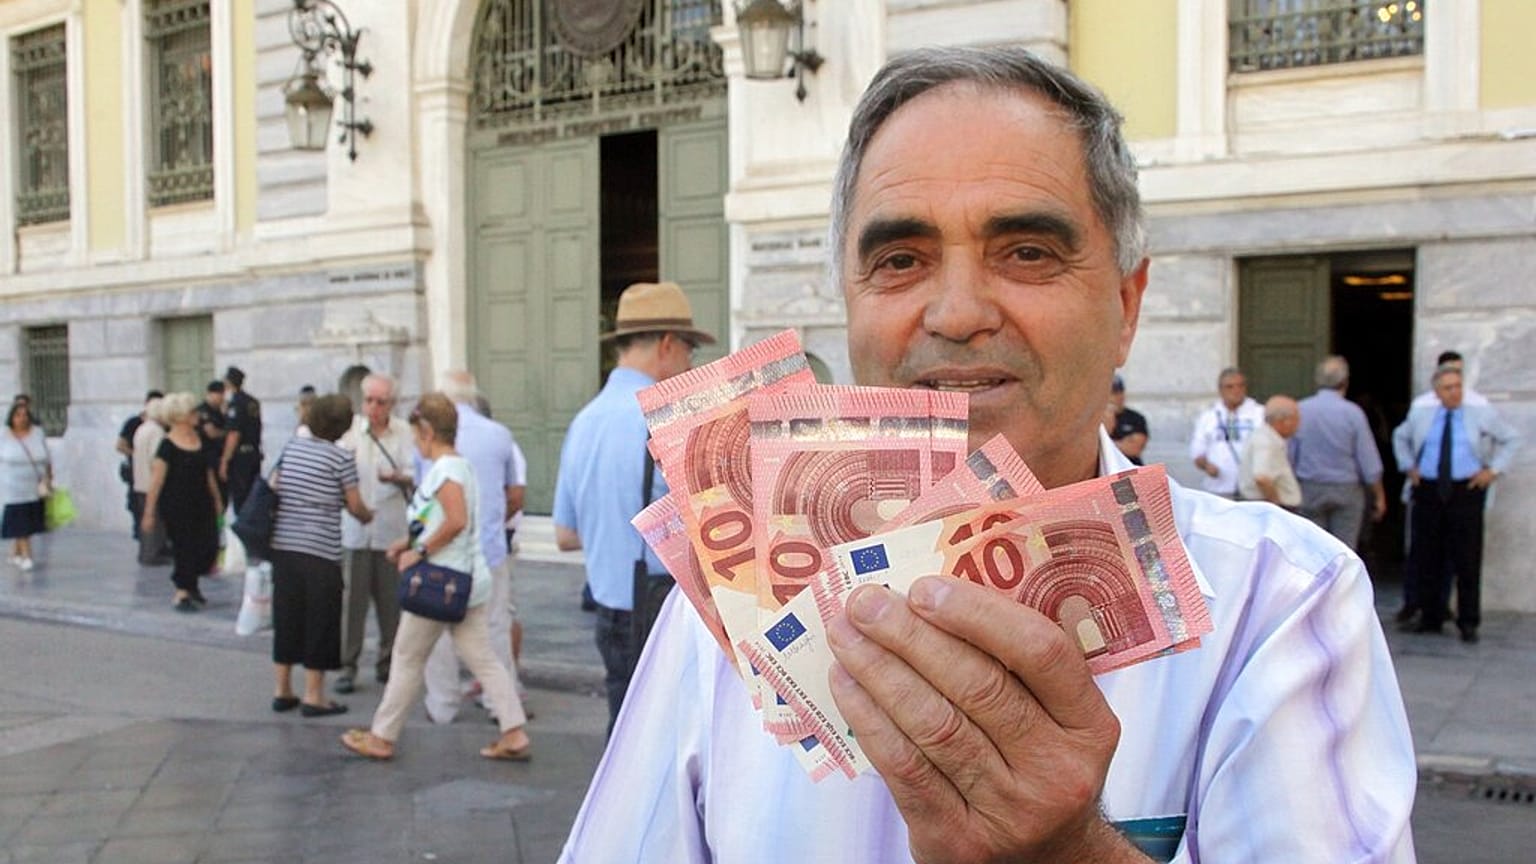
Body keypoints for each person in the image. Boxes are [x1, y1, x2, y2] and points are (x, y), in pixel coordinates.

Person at [561, 46, 1416, 862]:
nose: (959, 311)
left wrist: (1072, 854)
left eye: (1028, 252)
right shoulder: (728, 622)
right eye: (901, 259)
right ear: (850, 309)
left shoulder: (1280, 604)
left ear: (1126, 305)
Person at [552, 281, 713, 733]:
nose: (689, 364)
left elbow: (565, 536)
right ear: (666, 345)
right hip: (664, 614)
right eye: (688, 351)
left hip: (608, 613)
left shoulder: (583, 422)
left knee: (627, 742)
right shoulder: (668, 421)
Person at [339, 393, 531, 762]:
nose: (414, 442)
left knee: (407, 656)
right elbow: (445, 520)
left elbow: (456, 521)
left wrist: (419, 551)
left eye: (416, 434)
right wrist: (406, 542)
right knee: (484, 658)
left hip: (440, 582)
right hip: (466, 580)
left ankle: (382, 736)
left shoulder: (445, 471)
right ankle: (514, 730)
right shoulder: (460, 467)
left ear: (427, 431)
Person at [422, 371, 529, 723]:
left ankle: (442, 703)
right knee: (495, 629)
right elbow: (514, 494)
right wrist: (493, 522)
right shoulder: (499, 435)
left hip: (445, 550)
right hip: (489, 548)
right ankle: (500, 705)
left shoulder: (430, 438)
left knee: (436, 633)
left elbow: (424, 498)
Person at [1392, 364, 1520, 644]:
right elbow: (1400, 437)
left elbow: (1511, 438)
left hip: (1466, 489)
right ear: (1437, 392)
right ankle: (1430, 616)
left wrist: (1492, 470)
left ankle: (1468, 621)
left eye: (1458, 386)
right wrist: (1408, 466)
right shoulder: (1423, 414)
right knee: (1427, 554)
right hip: (1428, 487)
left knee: (1467, 557)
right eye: (1448, 388)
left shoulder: (1478, 414)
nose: (1455, 392)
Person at [268, 394, 374, 717]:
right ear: (342, 425)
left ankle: (282, 690)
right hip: (321, 552)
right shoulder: (341, 459)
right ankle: (314, 695)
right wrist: (368, 515)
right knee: (320, 621)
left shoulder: (291, 448)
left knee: (286, 617)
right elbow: (354, 505)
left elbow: (275, 484)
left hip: (285, 547)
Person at [335, 373, 414, 694]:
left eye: (381, 402)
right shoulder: (350, 433)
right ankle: (346, 665)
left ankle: (387, 662)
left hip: (391, 530)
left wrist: (400, 477)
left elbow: (418, 472)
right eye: (369, 400)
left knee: (391, 604)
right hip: (355, 530)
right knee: (351, 602)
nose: (374, 407)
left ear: (392, 404)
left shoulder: (405, 433)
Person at [1293, 356, 1387, 550]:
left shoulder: (1301, 410)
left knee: (1312, 549)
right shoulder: (1353, 413)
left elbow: (1290, 452)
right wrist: (1379, 495)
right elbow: (1368, 459)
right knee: (1344, 552)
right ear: (1345, 381)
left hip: (1309, 488)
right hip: (1346, 490)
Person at [141, 393, 222, 611]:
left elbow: (208, 473)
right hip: (177, 504)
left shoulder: (200, 440)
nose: (198, 415)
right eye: (193, 412)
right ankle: (183, 591)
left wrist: (216, 499)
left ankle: (192, 584)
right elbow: (156, 481)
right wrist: (149, 512)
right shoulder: (167, 446)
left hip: (201, 501)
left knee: (206, 544)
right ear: (180, 417)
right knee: (184, 546)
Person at [1187, 367, 1264, 498]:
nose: (1236, 391)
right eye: (1230, 387)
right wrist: (1206, 466)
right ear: (1220, 390)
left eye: (1240, 386)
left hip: (1253, 490)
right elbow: (1197, 452)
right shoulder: (1208, 417)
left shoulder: (1260, 413)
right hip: (1219, 489)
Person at [1, 401, 52, 571]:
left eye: (25, 415)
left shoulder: (37, 433)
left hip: (34, 485)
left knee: (28, 520)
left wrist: (49, 477)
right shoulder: (4, 434)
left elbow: (46, 456)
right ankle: (27, 555)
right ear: (12, 417)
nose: (22, 419)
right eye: (18, 415)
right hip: (13, 486)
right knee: (19, 519)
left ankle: (15, 553)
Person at [1238, 395, 1302, 509]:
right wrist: (1276, 504)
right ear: (1285, 421)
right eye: (1296, 418)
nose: (1299, 423)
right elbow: (1261, 477)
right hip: (1271, 507)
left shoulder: (1266, 437)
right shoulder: (1266, 442)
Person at [118, 390, 164, 540]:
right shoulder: (135, 424)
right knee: (140, 509)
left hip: (143, 475)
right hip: (139, 473)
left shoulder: (159, 426)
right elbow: (120, 445)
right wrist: (137, 456)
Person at [133, 397, 172, 566]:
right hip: (151, 481)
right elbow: (156, 458)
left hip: (140, 481)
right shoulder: (157, 432)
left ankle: (145, 552)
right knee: (155, 520)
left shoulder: (141, 429)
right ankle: (153, 553)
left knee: (146, 518)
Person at [220, 366, 263, 516]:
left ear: (229, 382)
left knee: (241, 499)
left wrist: (225, 460)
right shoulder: (253, 402)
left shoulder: (236, 403)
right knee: (252, 497)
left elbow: (234, 434)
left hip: (240, 459)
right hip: (254, 454)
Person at [1410, 350, 1487, 409]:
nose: (1454, 376)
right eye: (1450, 371)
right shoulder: (1422, 404)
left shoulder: (1478, 403)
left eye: (1458, 372)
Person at [196, 381, 228, 506]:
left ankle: (220, 523)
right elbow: (212, 433)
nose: (222, 398)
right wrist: (227, 433)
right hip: (208, 457)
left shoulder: (219, 412)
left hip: (219, 456)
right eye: (220, 394)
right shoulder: (203, 411)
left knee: (223, 495)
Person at [1109, 374, 1148, 465]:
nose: (1115, 398)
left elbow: (1134, 448)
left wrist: (1103, 444)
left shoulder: (1135, 418)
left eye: (1118, 392)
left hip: (1131, 468)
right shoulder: (1097, 419)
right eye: (1112, 393)